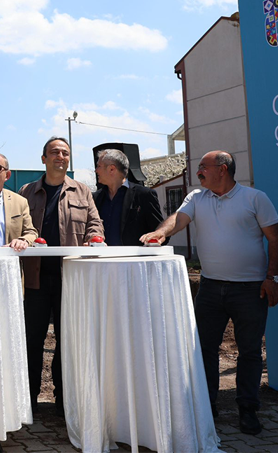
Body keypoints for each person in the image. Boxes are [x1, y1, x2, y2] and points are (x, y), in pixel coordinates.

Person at [140, 150, 278, 435]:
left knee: (250, 352)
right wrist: (161, 233)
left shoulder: (255, 198)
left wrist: (272, 278)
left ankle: (248, 410)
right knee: (203, 350)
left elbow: (275, 239)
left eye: (203, 167)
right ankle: (207, 406)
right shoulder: (196, 198)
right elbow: (177, 219)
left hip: (251, 290)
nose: (198, 172)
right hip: (210, 288)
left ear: (223, 169)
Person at [18, 137, 103, 416]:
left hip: (71, 280)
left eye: (65, 153)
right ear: (43, 159)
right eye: (54, 152)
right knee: (32, 342)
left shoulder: (82, 191)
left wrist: (94, 237)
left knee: (68, 343)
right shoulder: (26, 192)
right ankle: (26, 403)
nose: (60, 156)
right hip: (35, 281)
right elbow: (15, 229)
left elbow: (94, 223)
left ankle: (64, 402)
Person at [93, 149, 162, 246]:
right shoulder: (95, 198)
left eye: (99, 166)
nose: (96, 170)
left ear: (112, 169)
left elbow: (161, 233)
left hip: (134, 260)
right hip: (103, 260)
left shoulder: (144, 195)